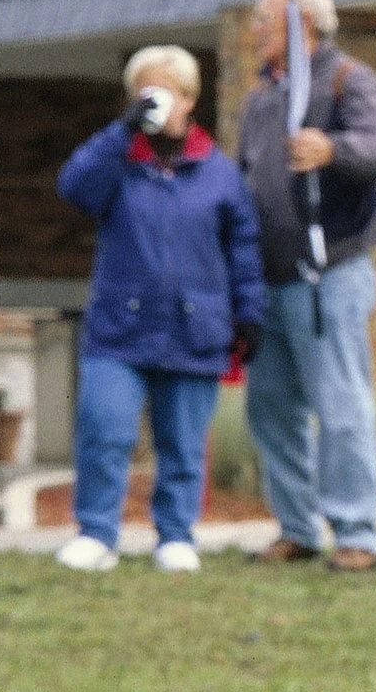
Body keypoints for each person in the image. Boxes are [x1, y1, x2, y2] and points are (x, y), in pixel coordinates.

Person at [52, 48, 267, 575]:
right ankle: (96, 534)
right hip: (120, 328)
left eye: (167, 93)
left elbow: (243, 248)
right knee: (105, 430)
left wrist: (249, 314)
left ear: (190, 100)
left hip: (195, 330)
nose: (155, 104)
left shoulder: (219, 173)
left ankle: (175, 535)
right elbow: (74, 187)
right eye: (144, 94)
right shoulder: (116, 162)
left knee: (183, 444)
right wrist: (121, 132)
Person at [237, 0, 376, 574]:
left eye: (264, 20)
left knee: (340, 405)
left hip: (330, 274)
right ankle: (297, 527)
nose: (255, 32)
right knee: (271, 409)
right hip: (270, 278)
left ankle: (358, 532)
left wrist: (334, 150)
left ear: (300, 23)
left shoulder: (349, 80)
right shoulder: (261, 99)